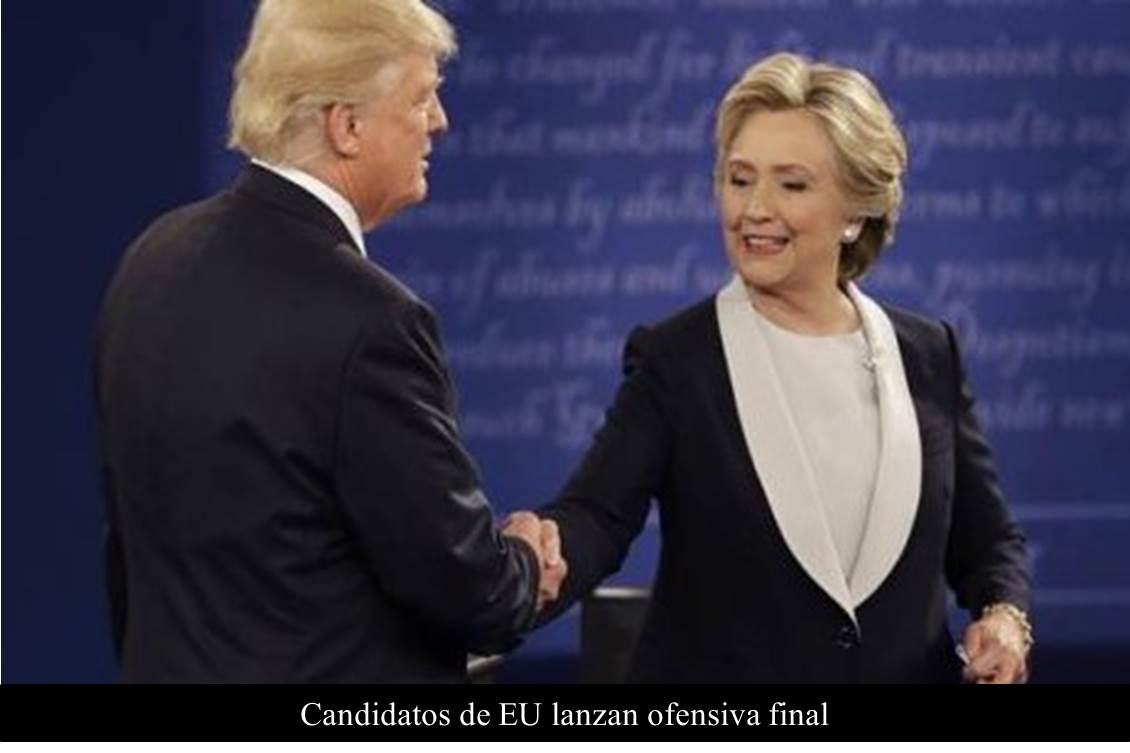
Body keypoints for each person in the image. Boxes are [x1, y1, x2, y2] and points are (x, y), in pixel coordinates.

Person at [93, 0, 564, 683]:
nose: (439, 120)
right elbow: (467, 589)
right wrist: (521, 563)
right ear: (347, 125)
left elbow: (132, 565)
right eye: (422, 98)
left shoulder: (151, 260)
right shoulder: (372, 321)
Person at [537, 52, 1032, 683]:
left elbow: (989, 543)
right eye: (740, 179)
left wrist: (1005, 617)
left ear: (856, 212)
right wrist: (534, 557)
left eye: (791, 185)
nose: (755, 209)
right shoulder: (677, 360)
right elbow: (597, 518)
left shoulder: (929, 353)